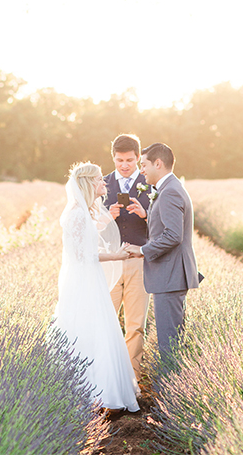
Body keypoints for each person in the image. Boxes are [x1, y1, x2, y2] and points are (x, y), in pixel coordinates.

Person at [52, 161, 140, 411]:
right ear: (89, 183)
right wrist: (117, 256)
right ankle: (92, 392)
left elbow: (89, 246)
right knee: (90, 330)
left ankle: (99, 390)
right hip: (84, 281)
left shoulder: (84, 212)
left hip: (91, 279)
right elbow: (83, 255)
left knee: (99, 329)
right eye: (100, 179)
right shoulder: (78, 214)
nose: (104, 183)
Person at [125, 143, 200, 360]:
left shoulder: (170, 192)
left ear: (158, 163)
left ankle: (167, 388)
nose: (142, 170)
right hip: (170, 275)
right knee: (172, 340)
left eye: (144, 164)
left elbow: (174, 235)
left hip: (170, 276)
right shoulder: (169, 189)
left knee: (170, 345)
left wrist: (143, 250)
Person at [103, 133, 150, 379]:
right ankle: (109, 377)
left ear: (138, 158)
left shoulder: (150, 183)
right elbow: (88, 230)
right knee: (107, 322)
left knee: (136, 326)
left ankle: (133, 379)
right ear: (113, 157)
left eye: (130, 160)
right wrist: (105, 218)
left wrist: (145, 215)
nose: (124, 165)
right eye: (119, 160)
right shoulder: (100, 184)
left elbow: (166, 228)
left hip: (138, 263)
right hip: (109, 265)